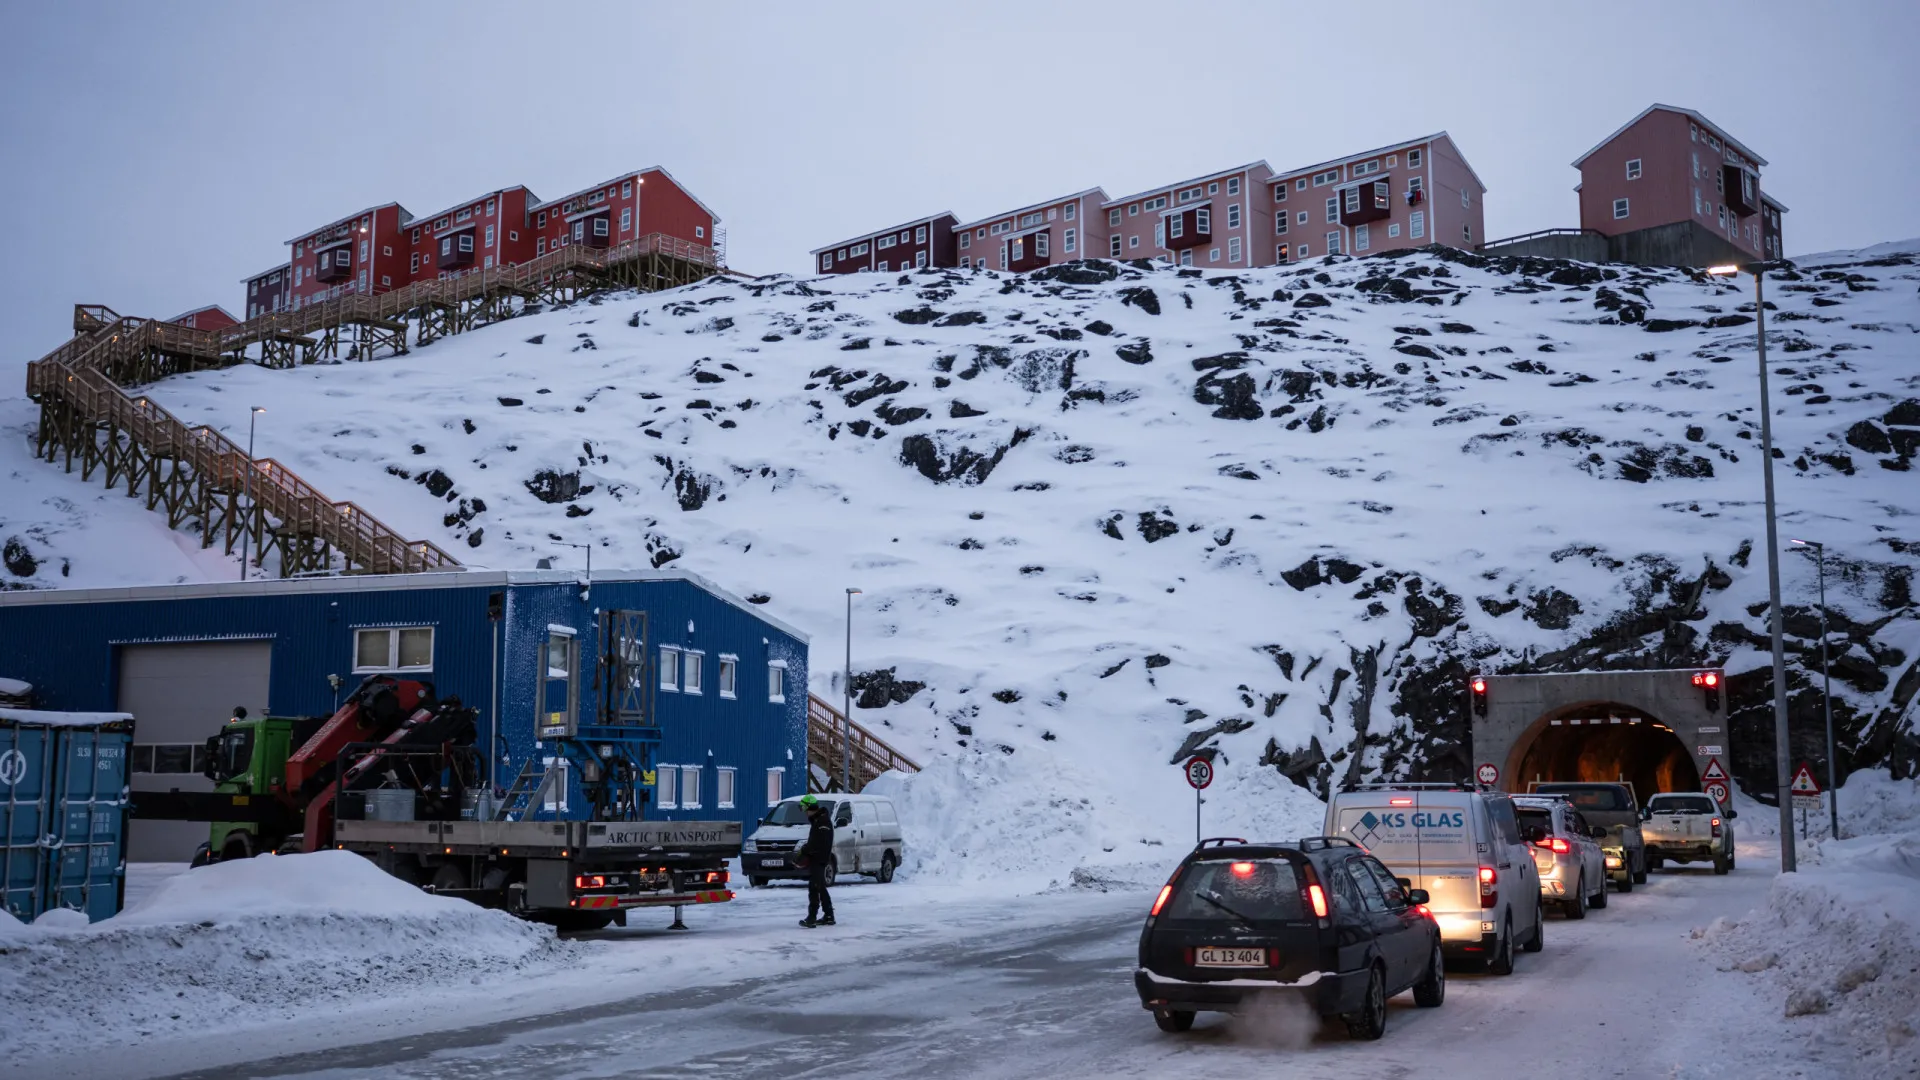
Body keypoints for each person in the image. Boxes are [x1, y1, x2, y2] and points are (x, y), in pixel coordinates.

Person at [798, 793, 836, 928]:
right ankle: (829, 915)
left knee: (814, 888)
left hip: (819, 859)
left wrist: (806, 850)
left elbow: (820, 843)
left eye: (804, 809)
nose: (804, 813)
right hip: (818, 858)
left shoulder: (822, 822)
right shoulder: (818, 820)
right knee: (820, 887)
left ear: (810, 807)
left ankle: (812, 917)